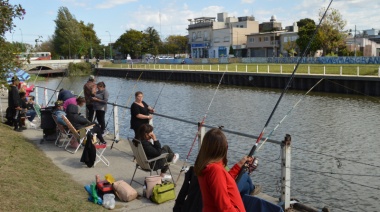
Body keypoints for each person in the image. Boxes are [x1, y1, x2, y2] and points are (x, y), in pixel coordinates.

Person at [194, 128, 248, 212]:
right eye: (226, 145)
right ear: (221, 148)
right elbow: (224, 208)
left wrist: (239, 165)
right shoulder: (215, 170)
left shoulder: (207, 167)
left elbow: (223, 183)